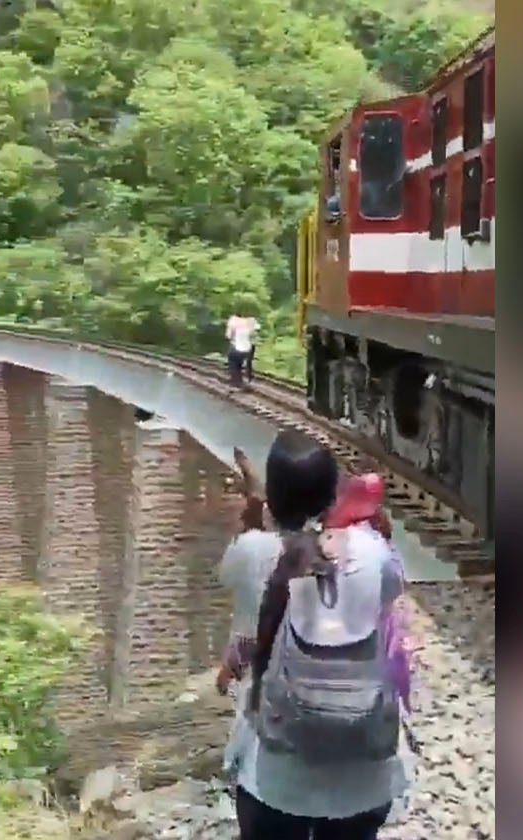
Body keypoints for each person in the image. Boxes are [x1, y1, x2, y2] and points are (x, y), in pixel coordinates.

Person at [217, 432, 408, 840]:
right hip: (364, 775)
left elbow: (246, 623)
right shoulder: (371, 550)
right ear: (332, 495)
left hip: (276, 781)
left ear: (273, 498)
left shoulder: (250, 552)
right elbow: (390, 594)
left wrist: (253, 517)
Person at [226, 313, 259, 388]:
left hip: (235, 346)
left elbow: (228, 336)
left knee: (233, 362)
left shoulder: (233, 320)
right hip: (249, 347)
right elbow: (255, 334)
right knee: (248, 362)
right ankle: (248, 378)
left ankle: (236, 381)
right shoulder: (252, 320)